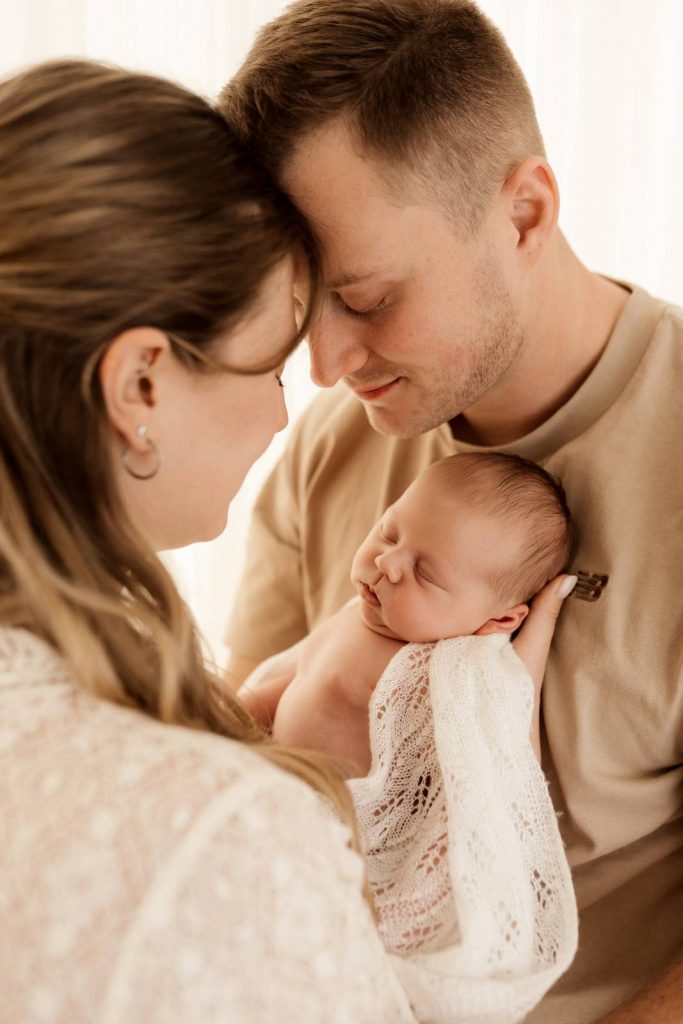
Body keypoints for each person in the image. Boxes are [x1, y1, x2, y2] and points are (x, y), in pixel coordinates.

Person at [0, 57, 571, 1024]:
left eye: (369, 296)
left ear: (523, 214)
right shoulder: (219, 830)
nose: (307, 388)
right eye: (272, 360)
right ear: (140, 386)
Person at [219, 2, 683, 1021]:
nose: (325, 366)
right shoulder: (332, 444)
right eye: (303, 305)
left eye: (368, 297)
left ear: (523, 212)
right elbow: (240, 774)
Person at [241, 451, 573, 776]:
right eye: (388, 534)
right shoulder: (355, 615)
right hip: (267, 778)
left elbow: (456, 785)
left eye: (425, 574)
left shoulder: (433, 678)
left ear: (499, 621)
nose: (386, 562)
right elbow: (302, 683)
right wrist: (230, 719)